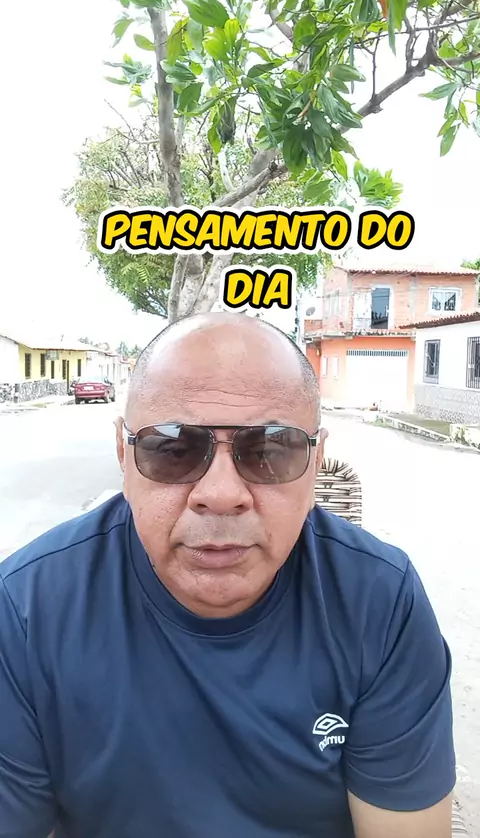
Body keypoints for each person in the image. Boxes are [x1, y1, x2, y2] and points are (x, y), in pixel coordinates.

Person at [0, 313, 455, 838]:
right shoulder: (27, 610)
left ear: (316, 463)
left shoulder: (379, 602)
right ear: (124, 456)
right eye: (173, 449)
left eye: (269, 450)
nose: (220, 494)